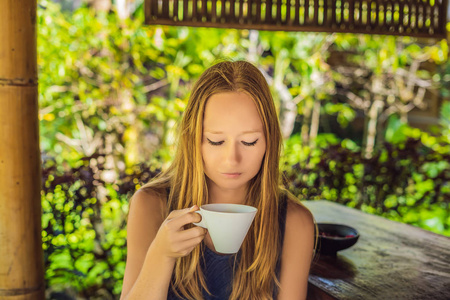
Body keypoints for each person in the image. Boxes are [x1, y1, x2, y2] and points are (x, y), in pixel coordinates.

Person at [120, 60, 316, 300]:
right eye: (215, 141)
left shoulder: (295, 223)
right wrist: (161, 256)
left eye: (249, 142)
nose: (231, 159)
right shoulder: (151, 205)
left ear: (269, 141)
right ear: (193, 139)